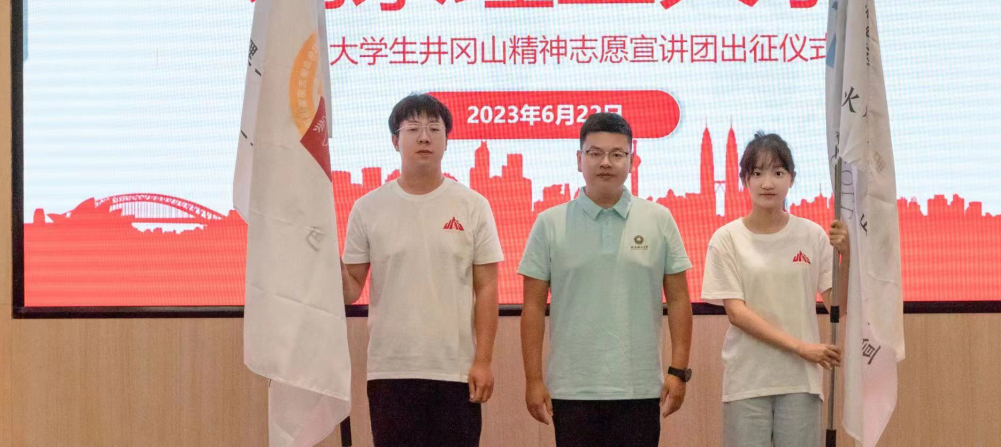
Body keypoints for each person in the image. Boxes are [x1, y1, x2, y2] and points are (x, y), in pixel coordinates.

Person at [518, 111, 693, 447]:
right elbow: (534, 307)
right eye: (595, 153)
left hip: (640, 388)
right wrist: (533, 379)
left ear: (632, 161)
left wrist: (678, 371)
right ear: (579, 159)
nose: (606, 163)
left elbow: (679, 299)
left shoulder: (659, 219)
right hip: (571, 389)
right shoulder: (549, 223)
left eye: (617, 154)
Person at [340, 93, 503, 447]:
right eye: (413, 129)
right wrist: (319, 256)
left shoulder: (473, 205)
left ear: (447, 140)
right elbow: (351, 288)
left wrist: (483, 361)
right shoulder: (368, 208)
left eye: (434, 129)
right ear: (395, 141)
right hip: (390, 370)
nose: (425, 137)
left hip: (455, 370)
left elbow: (487, 287)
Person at [701, 131, 850, 447]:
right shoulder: (727, 239)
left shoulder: (812, 235)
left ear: (792, 178)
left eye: (778, 173)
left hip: (800, 382)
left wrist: (846, 256)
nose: (767, 183)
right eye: (757, 173)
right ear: (745, 180)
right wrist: (801, 347)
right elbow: (737, 314)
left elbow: (838, 304)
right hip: (747, 381)